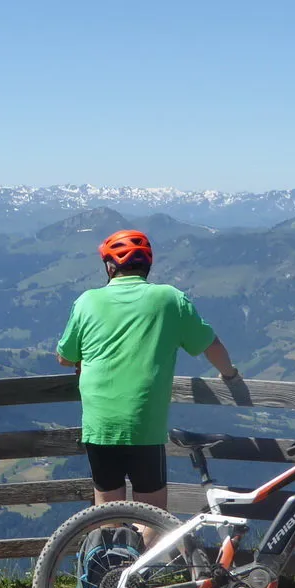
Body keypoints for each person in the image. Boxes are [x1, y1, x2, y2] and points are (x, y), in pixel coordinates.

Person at [57, 229, 238, 545]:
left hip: (100, 422)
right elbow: (211, 346)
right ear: (147, 265)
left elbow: (64, 356)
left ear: (109, 267)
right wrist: (231, 375)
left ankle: (108, 577)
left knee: (108, 513)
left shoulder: (87, 301)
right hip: (145, 421)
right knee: (151, 513)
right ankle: (140, 580)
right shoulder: (170, 299)